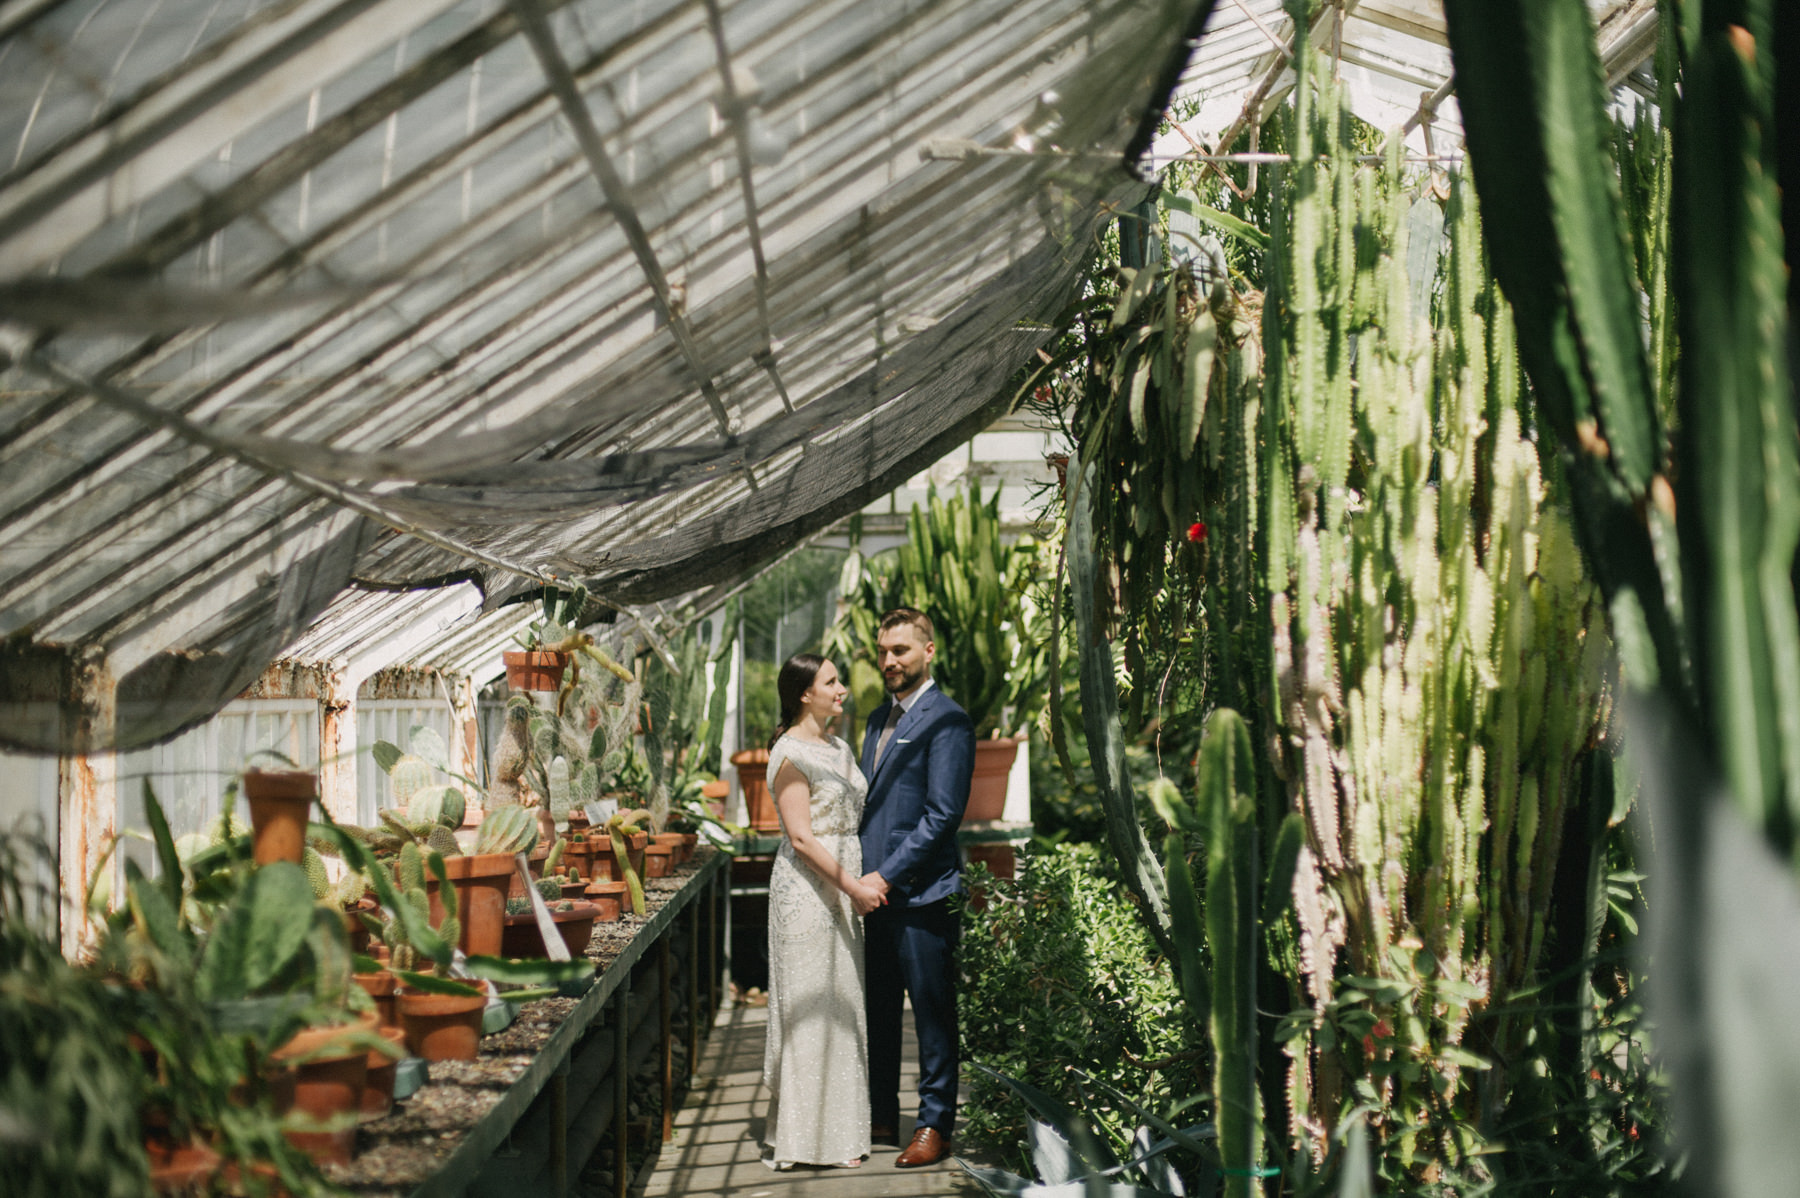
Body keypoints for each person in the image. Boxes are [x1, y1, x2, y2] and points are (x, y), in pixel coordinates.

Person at [857, 608, 974, 1168]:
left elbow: (941, 815)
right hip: (872, 896)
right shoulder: (876, 719)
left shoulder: (948, 720)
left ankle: (935, 1126)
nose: (889, 661)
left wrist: (885, 874)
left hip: (922, 894)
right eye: (883, 650)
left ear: (929, 652)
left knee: (931, 1015)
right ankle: (882, 1113)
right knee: (877, 1010)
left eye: (900, 650)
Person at [761, 653, 885, 1171]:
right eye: (831, 682)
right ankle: (808, 1141)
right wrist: (854, 887)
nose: (842, 689)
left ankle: (840, 1133)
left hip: (842, 888)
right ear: (803, 694)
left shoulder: (837, 746)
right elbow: (802, 838)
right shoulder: (790, 755)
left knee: (840, 1006)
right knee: (811, 1006)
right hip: (808, 894)